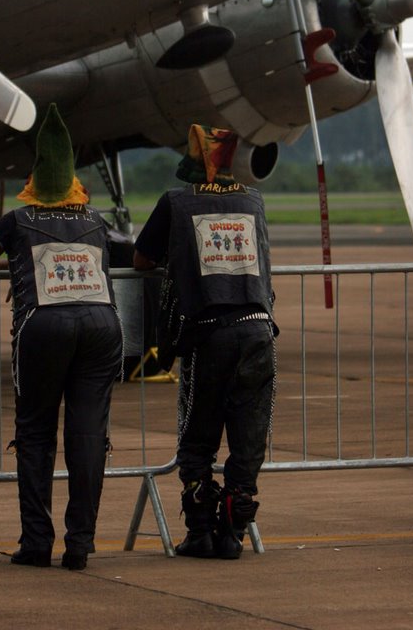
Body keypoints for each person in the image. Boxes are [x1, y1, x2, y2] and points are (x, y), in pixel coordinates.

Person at [0, 104, 123, 571]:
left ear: (34, 180)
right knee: (88, 434)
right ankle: (80, 544)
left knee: (35, 432)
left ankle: (36, 542)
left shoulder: (17, 219)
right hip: (101, 326)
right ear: (74, 180)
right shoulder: (94, 219)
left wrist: (13, 264)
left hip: (44, 327)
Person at [133, 123, 277, 560]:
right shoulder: (254, 199)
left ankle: (199, 531)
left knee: (198, 437)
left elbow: (142, 259)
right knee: (249, 438)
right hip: (258, 331)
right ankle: (232, 530)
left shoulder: (177, 202)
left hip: (209, 333)